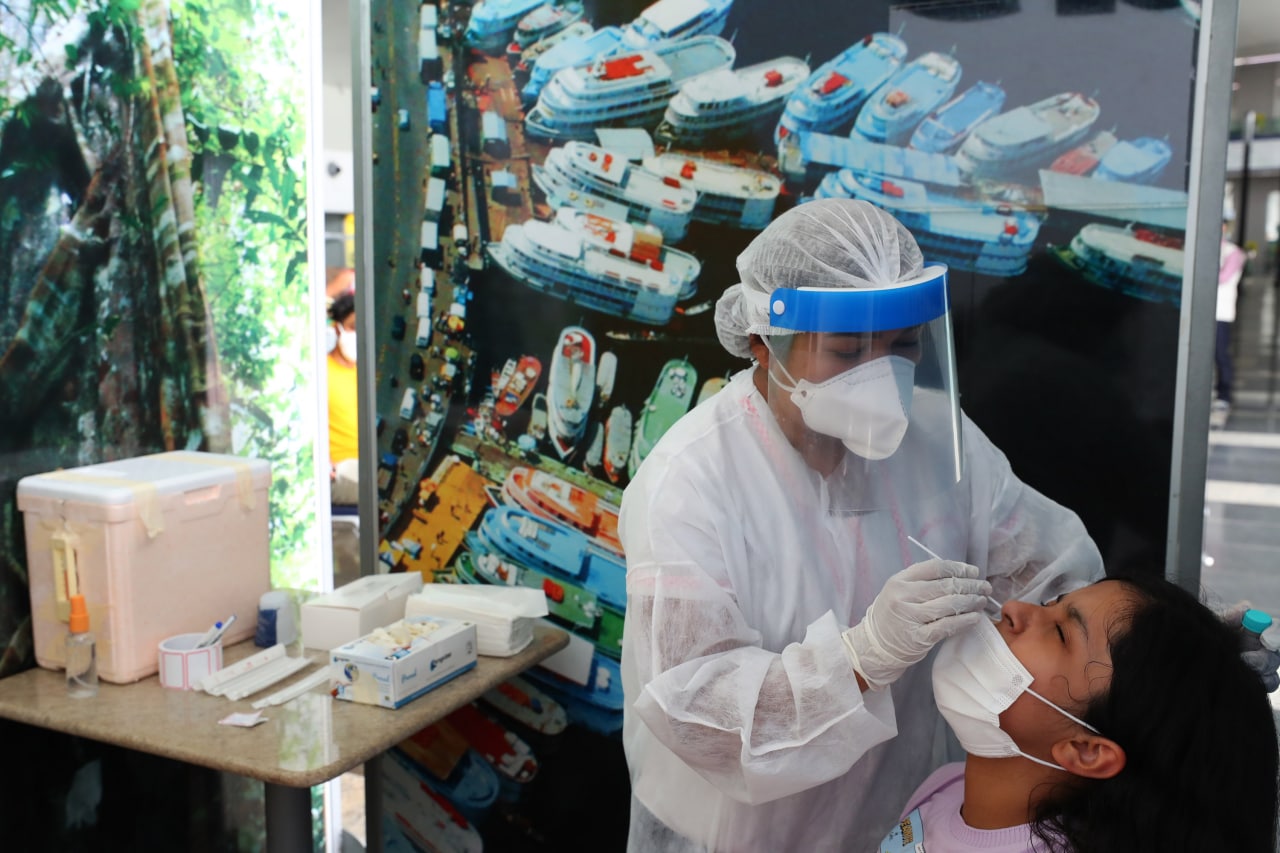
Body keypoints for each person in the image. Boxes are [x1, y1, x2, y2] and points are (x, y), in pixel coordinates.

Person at [617, 199, 1105, 853]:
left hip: (904, 815)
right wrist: (858, 659)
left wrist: (1179, 650)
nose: (881, 377)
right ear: (763, 344)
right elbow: (698, 714)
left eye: (903, 345)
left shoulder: (939, 437)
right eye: (847, 349)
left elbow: (1052, 581)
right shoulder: (689, 482)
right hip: (738, 835)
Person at [881, 572, 1279, 852]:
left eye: (1058, 632)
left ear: (1087, 750)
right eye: (1050, 604)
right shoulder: (947, 787)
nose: (1015, 608)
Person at [327, 288, 360, 505]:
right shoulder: (320, 372)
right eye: (353, 328)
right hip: (343, 471)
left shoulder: (370, 371)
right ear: (337, 329)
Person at [1213, 219, 1247, 426]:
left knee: (1220, 354)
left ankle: (1224, 396)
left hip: (1221, 312)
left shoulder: (1234, 253)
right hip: (1205, 312)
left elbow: (1222, 278)